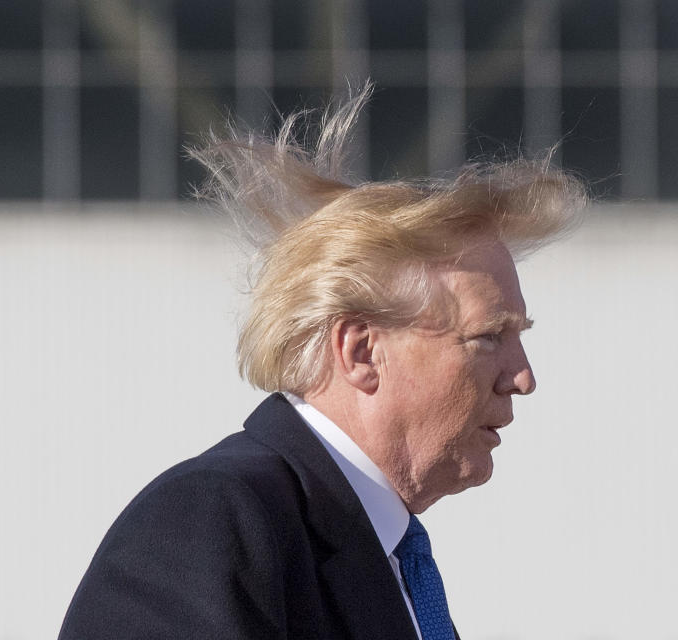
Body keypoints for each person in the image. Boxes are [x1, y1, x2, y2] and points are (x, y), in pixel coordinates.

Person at [58, 90, 586, 640]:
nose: (522, 378)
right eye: (487, 338)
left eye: (518, 337)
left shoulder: (388, 556)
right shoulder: (212, 520)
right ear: (360, 352)